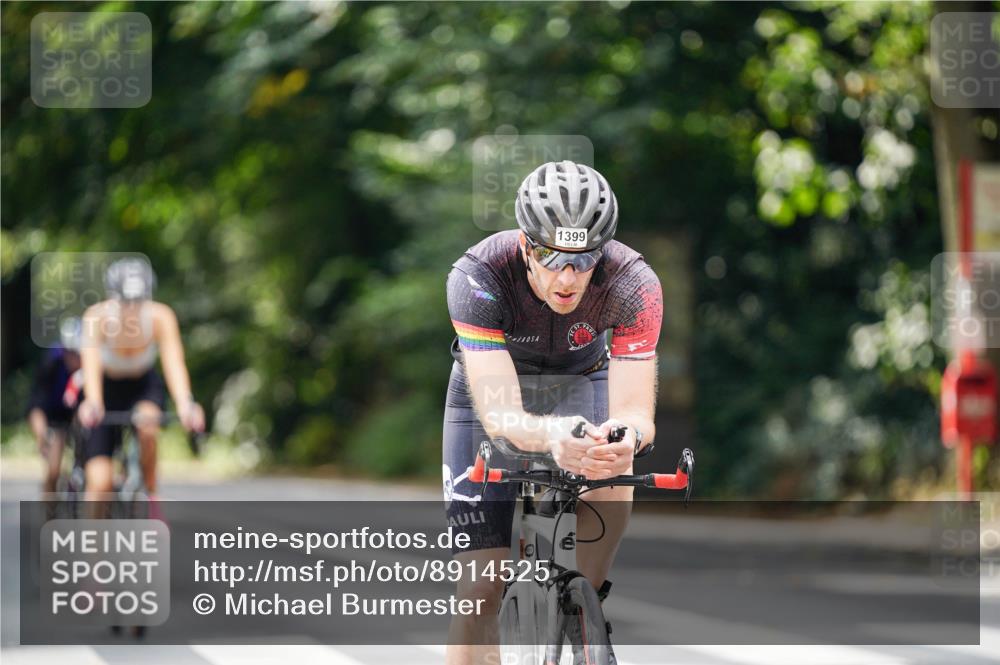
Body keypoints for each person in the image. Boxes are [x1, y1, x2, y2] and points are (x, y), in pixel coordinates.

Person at [443, 160, 663, 664]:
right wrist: (551, 437)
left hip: (581, 380)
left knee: (612, 460)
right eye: (549, 255)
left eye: (584, 259)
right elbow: (502, 418)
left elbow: (635, 414)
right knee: (480, 591)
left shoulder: (634, 284)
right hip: (492, 393)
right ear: (524, 246)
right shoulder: (478, 276)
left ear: (602, 251)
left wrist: (623, 439)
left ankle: (585, 600)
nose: (567, 276)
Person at [77, 257, 205, 502]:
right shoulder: (96, 318)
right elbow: (90, 363)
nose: (132, 307)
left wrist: (186, 403)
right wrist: (93, 401)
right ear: (112, 297)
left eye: (139, 301)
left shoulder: (161, 317)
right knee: (100, 485)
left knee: (148, 426)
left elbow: (174, 363)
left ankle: (151, 492)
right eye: (125, 301)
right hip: (106, 387)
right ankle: (93, 538)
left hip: (143, 385)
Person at [27, 317, 83, 495]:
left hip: (81, 415)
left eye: (78, 353)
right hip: (55, 416)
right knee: (53, 469)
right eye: (70, 352)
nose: (74, 358)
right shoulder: (51, 363)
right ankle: (49, 513)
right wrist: (41, 434)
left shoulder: (92, 366)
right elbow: (36, 404)